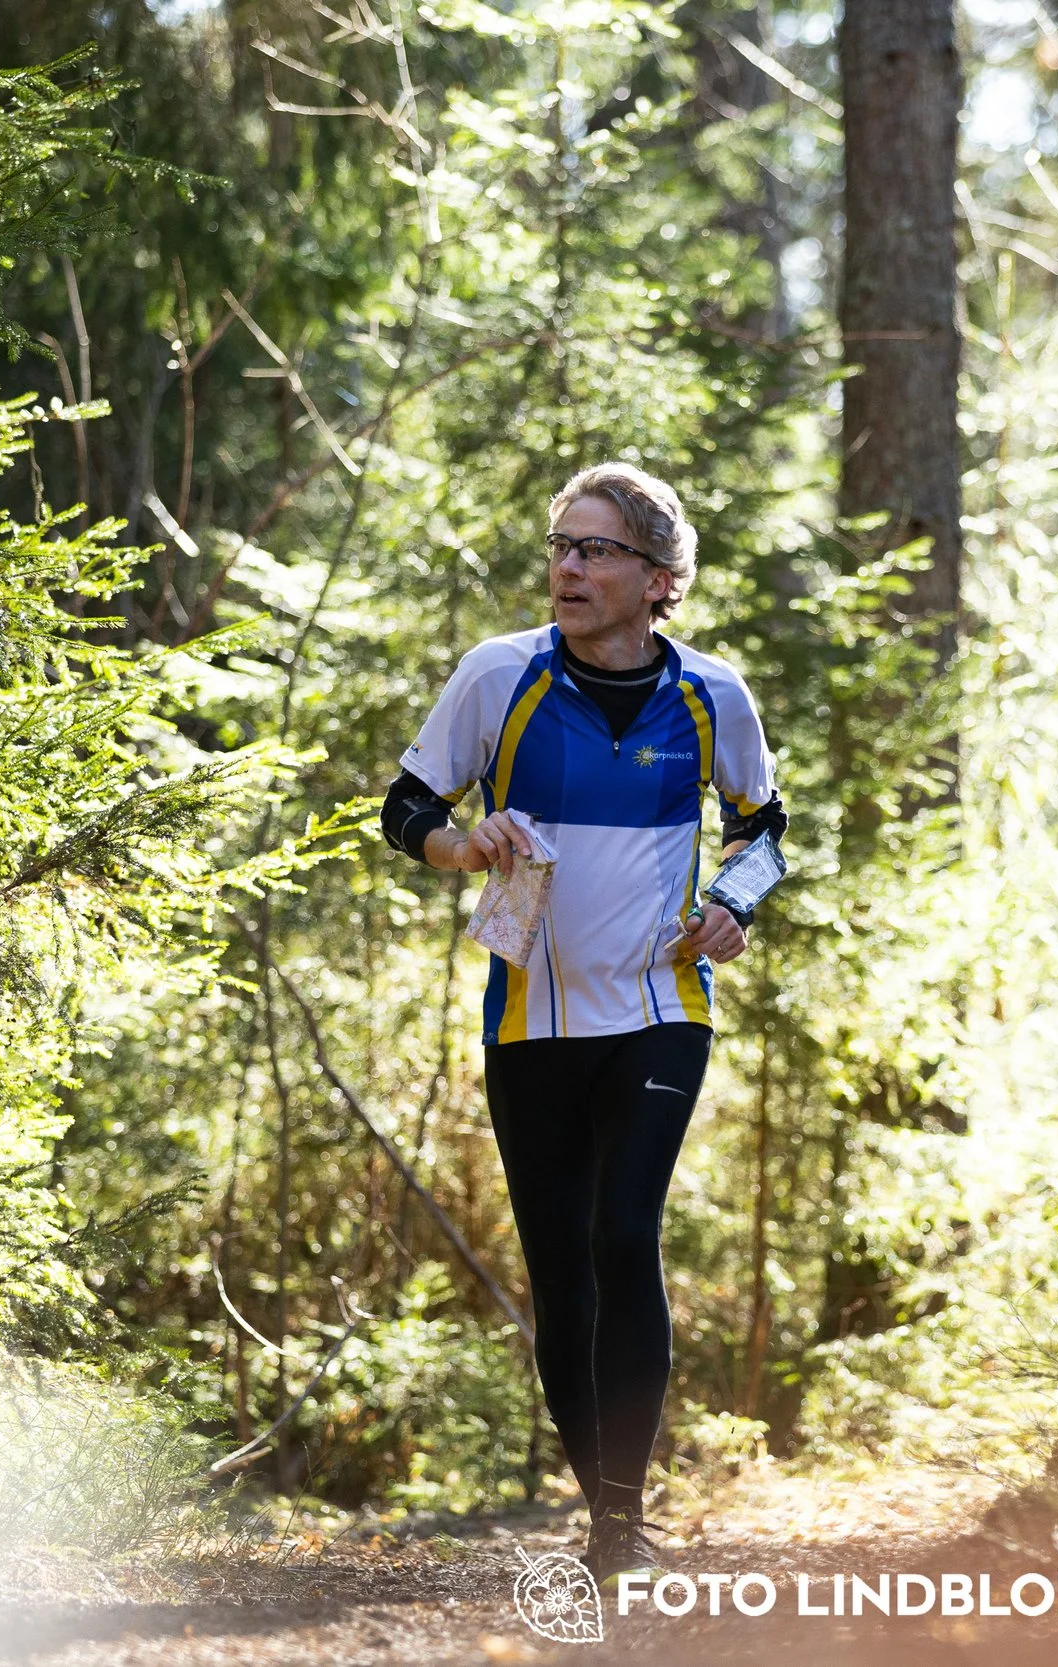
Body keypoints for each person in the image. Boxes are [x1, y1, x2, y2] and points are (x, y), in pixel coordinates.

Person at [378, 462, 786, 1580]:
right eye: (561, 545)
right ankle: (597, 1496)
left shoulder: (712, 695)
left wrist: (734, 903)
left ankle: (621, 1516)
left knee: (622, 1232)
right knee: (562, 1269)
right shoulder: (498, 674)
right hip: (532, 1017)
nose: (568, 566)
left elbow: (764, 826)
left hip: (660, 1005)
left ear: (658, 578)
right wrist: (458, 844)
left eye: (596, 549)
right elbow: (406, 805)